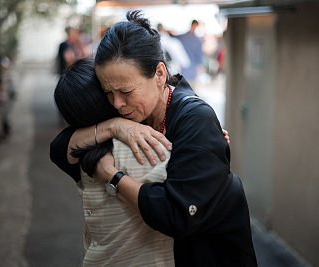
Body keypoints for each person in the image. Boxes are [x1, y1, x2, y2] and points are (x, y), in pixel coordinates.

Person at [50, 10, 257, 267]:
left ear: (159, 74)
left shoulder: (195, 118)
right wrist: (112, 126)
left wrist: (113, 176)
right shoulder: (129, 117)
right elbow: (59, 149)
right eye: (108, 92)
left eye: (125, 91)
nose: (117, 103)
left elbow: (177, 214)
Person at [54, 57, 174, 266]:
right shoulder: (148, 148)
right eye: (109, 92)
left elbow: (57, 148)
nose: (118, 101)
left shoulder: (82, 157)